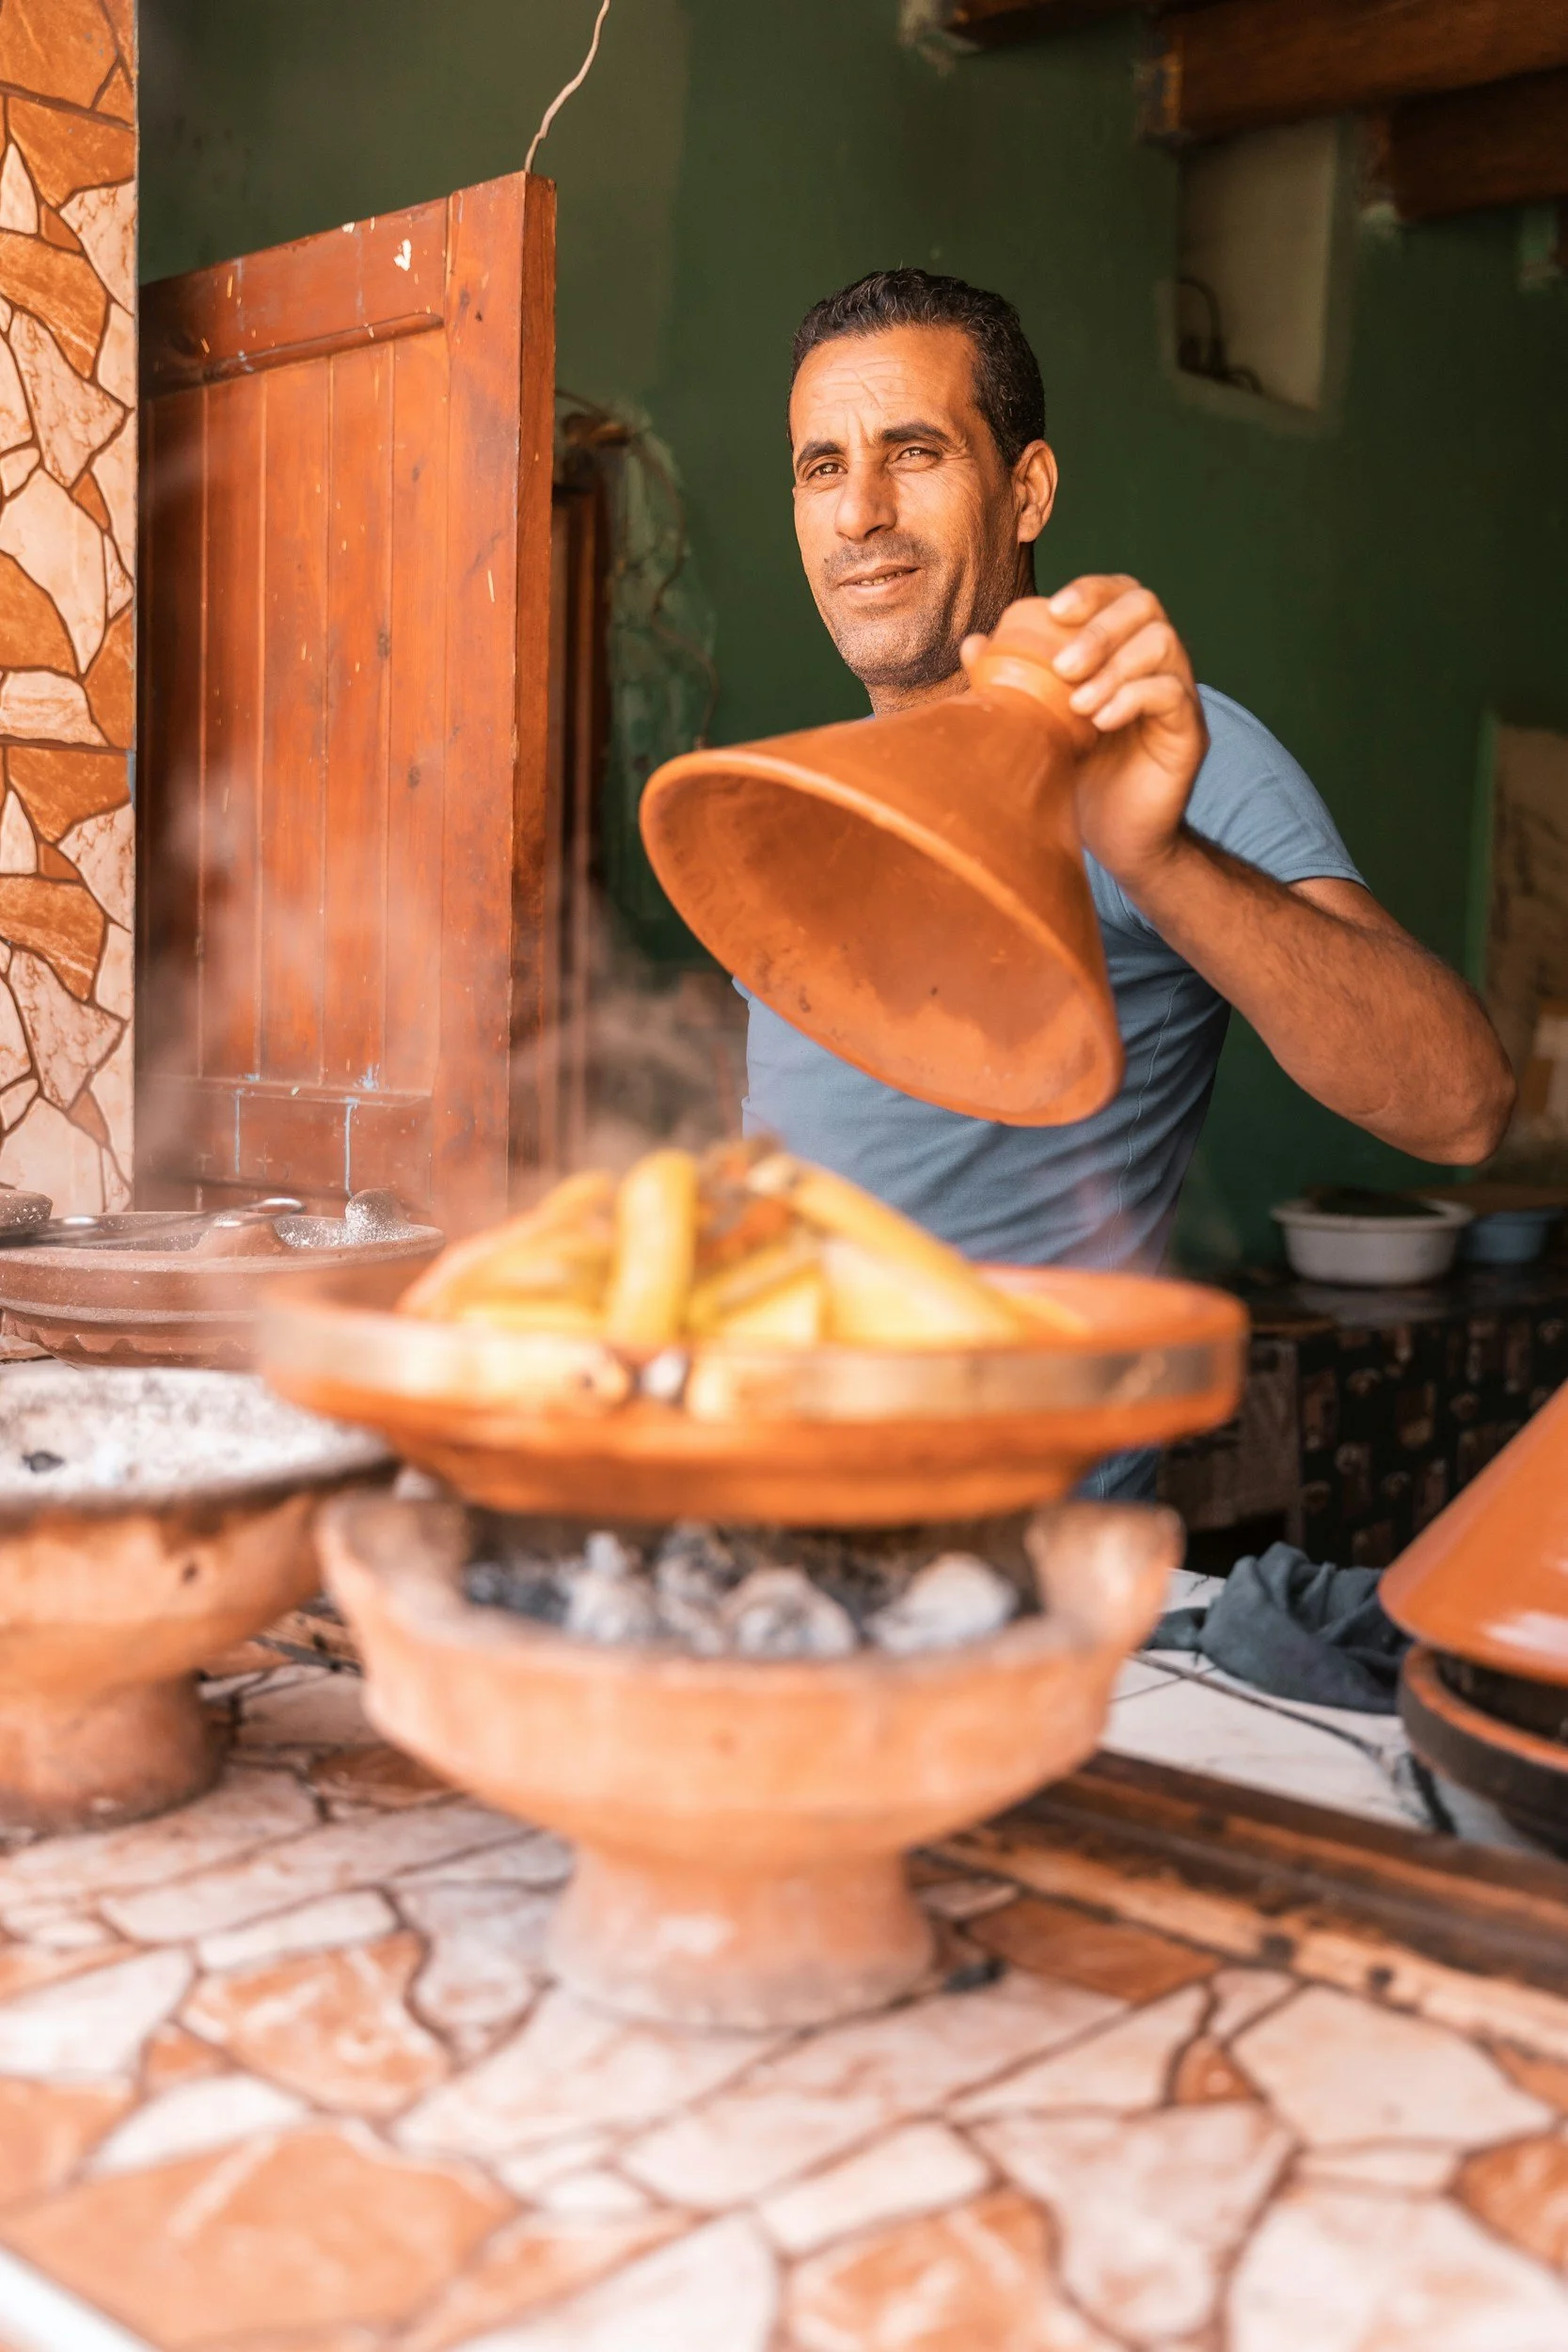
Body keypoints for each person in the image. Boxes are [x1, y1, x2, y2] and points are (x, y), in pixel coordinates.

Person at [740, 268, 1515, 1500]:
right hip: (765, 1512)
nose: (858, 514)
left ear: (1026, 489)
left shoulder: (1152, 747)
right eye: (820, 467)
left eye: (913, 451)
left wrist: (1148, 853)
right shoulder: (800, 804)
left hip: (1018, 1563)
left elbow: (1459, 1107)